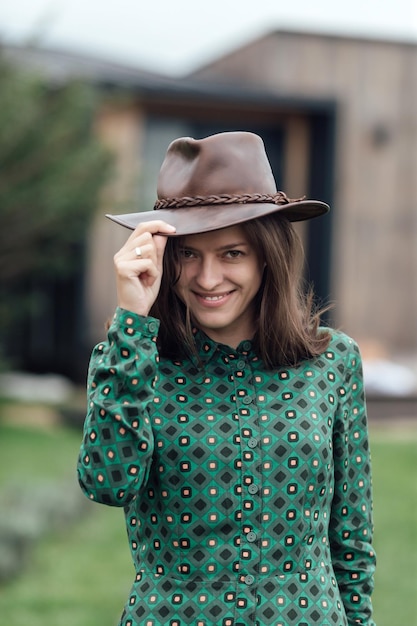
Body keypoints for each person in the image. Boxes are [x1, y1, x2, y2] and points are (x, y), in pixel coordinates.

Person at [77, 131, 376, 626]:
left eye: (231, 253)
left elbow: (351, 536)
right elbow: (107, 483)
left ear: (267, 257)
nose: (207, 278)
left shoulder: (332, 360)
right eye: (188, 254)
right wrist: (132, 323)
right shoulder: (130, 361)